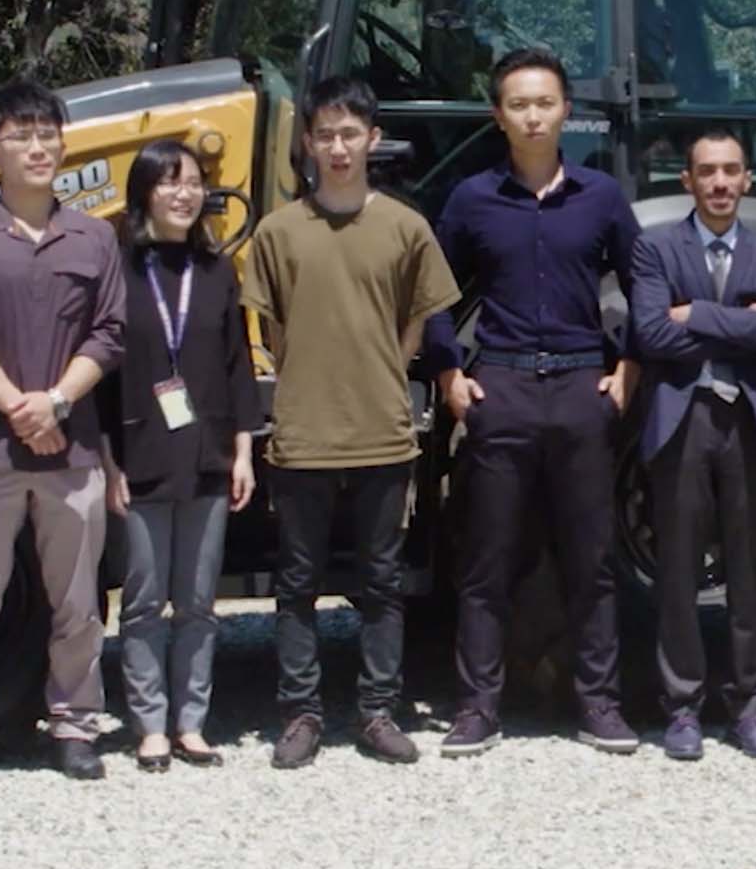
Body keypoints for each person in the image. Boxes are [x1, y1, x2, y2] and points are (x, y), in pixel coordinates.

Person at [239, 78, 461, 770]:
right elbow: (272, 328)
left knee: (381, 583)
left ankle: (376, 712)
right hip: (302, 435)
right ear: (307, 143)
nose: (337, 147)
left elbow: (417, 321)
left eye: (349, 134)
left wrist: (381, 376)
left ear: (371, 140)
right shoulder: (277, 232)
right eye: (325, 134)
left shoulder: (405, 227)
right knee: (296, 583)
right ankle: (301, 713)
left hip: (382, 432)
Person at [427, 46, 641, 758]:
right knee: (487, 560)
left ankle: (601, 705)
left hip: (583, 387)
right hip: (503, 388)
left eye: (544, 102)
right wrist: (449, 374)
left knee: (593, 559)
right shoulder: (471, 199)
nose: (532, 115)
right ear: (499, 115)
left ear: (566, 112)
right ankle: (477, 708)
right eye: (517, 104)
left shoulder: (602, 198)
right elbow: (434, 291)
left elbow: (646, 285)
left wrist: (629, 368)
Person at [0, 76, 126, 789]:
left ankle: (75, 727)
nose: (38, 147)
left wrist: (58, 404)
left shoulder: (96, 236)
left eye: (48, 134)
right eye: (22, 135)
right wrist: (22, 406)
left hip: (72, 453)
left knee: (77, 604)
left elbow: (109, 333)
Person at [626, 127, 756, 762]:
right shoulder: (655, 252)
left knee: (749, 572)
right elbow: (648, 334)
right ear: (689, 181)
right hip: (683, 421)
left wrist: (692, 315)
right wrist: (740, 324)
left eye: (731, 170)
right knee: (675, 571)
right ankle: (682, 709)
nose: (721, 182)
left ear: (747, 180)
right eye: (708, 171)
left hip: (748, 427)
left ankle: (750, 708)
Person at [111, 138, 257, 771]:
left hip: (209, 453)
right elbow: (101, 371)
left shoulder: (219, 270)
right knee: (143, 599)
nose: (183, 192)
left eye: (194, 181)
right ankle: (147, 725)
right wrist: (106, 461)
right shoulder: (117, 268)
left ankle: (191, 722)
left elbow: (238, 367)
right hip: (139, 450)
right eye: (169, 181)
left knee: (198, 601)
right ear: (145, 191)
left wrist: (245, 451)